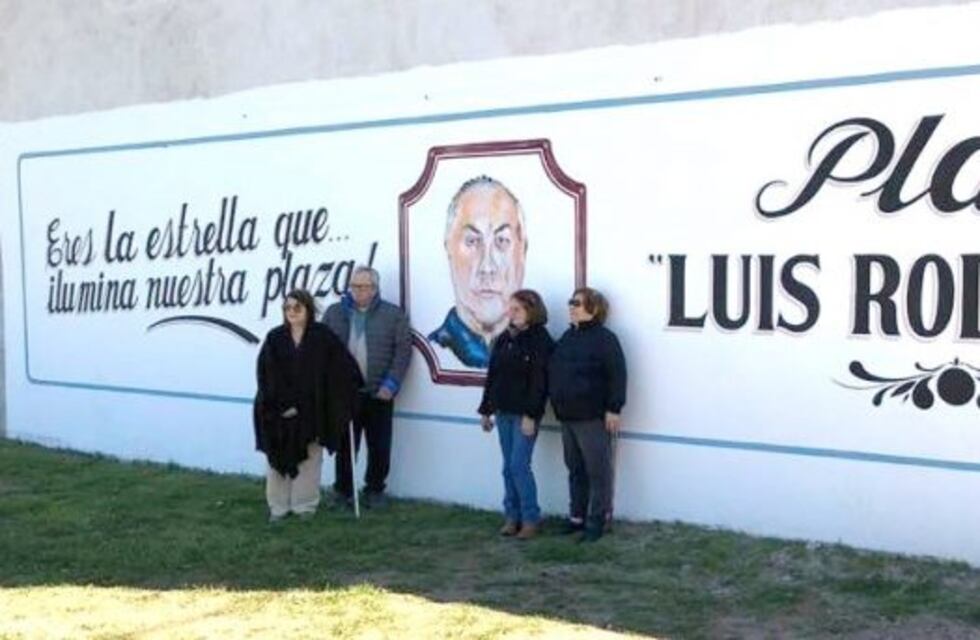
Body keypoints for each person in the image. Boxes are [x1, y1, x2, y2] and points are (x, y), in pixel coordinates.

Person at [253, 289, 361, 522]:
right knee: (277, 459)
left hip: (312, 412)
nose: (291, 312)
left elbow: (343, 368)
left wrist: (348, 390)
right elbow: (266, 375)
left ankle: (305, 507)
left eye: (297, 307)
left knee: (310, 460)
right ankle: (278, 508)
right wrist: (284, 405)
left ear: (308, 309)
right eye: (287, 308)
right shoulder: (275, 338)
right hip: (278, 411)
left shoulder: (323, 337)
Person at [322, 265, 413, 508]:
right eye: (354, 286)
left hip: (379, 392)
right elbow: (321, 350)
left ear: (374, 288)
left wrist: (391, 384)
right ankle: (343, 490)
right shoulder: (334, 313)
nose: (358, 291)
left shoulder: (393, 315)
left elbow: (403, 352)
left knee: (379, 446)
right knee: (345, 446)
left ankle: (375, 489)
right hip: (345, 394)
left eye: (364, 286)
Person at [549, 287, 627, 542]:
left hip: (592, 417)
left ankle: (597, 521)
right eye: (570, 302)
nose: (571, 307)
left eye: (577, 303)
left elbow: (618, 375)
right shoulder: (567, 337)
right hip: (567, 416)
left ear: (593, 309)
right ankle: (577, 518)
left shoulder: (606, 340)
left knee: (598, 472)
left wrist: (614, 408)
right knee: (575, 469)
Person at [478, 289, 554, 540]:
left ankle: (531, 518)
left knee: (519, 465)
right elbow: (493, 376)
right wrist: (486, 409)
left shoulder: (540, 340)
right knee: (508, 467)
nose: (511, 314)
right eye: (509, 309)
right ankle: (512, 516)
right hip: (503, 411)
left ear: (532, 311)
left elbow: (540, 382)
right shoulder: (504, 338)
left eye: (517, 309)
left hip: (524, 414)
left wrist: (531, 414)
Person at [428, 176, 527, 368]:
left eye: (502, 240)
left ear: (523, 250)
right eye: (472, 241)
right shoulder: (435, 347)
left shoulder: (536, 346)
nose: (487, 267)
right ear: (448, 247)